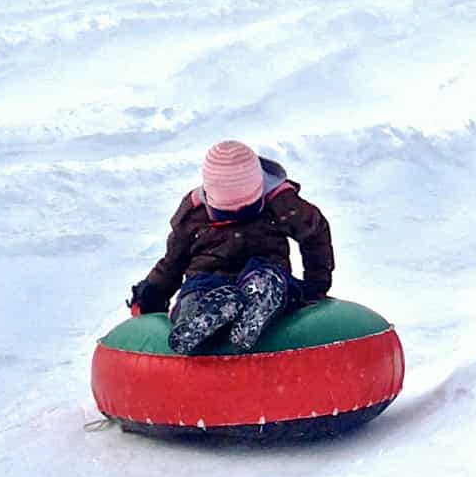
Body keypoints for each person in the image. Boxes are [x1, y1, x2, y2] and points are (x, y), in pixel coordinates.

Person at [127, 140, 334, 355]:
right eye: (226, 215)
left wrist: (316, 284)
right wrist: (150, 296)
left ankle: (260, 300)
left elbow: (314, 233)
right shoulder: (193, 215)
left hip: (264, 271)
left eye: (247, 211)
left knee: (272, 279)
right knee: (195, 291)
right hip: (209, 279)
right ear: (209, 200)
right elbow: (173, 261)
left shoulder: (281, 203)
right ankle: (197, 318)